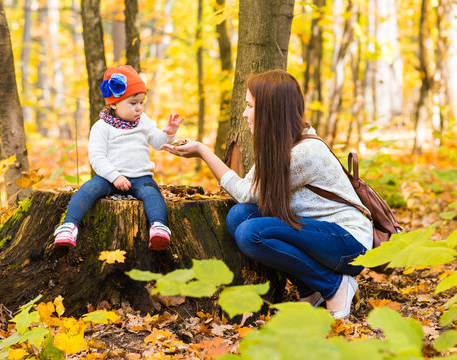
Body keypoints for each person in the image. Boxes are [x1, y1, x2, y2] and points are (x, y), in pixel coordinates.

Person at [162, 69, 373, 319]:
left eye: (250, 106)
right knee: (239, 217)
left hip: (348, 243)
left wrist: (202, 151)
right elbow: (246, 197)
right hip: (317, 234)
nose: (244, 114)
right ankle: (311, 290)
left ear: (271, 110)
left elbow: (243, 192)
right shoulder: (282, 145)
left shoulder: (303, 153)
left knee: (251, 233)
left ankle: (334, 285)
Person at [54, 65, 183, 251]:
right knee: (87, 189)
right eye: (133, 103)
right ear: (113, 104)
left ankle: (158, 227)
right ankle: (69, 226)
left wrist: (168, 134)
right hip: (109, 178)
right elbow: (97, 157)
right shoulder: (101, 127)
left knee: (152, 194)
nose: (139, 108)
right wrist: (115, 176)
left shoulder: (143, 121)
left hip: (140, 178)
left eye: (141, 102)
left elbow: (157, 142)